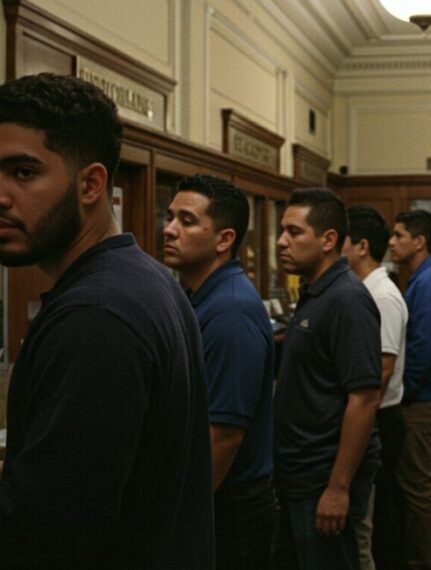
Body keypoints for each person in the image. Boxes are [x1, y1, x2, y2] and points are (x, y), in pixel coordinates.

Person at [0, 73, 213, 567]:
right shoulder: (145, 277)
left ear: (91, 184)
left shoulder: (96, 314)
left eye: (24, 173)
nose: (2, 194)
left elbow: (52, 535)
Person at [163, 174, 276, 569]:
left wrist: (176, 518)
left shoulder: (229, 310)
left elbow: (223, 436)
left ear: (224, 239)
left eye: (187, 221)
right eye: (170, 217)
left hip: (231, 506)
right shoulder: (203, 297)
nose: (170, 229)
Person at [272, 187, 382, 569]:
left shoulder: (347, 299)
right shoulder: (317, 291)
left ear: (328, 239)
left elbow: (364, 398)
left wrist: (338, 488)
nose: (281, 241)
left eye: (294, 232)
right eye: (282, 230)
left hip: (322, 475)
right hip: (299, 470)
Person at [388, 210, 431, 570]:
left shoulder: (429, 282)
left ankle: (422, 558)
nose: (391, 242)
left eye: (399, 236)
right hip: (426, 392)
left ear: (419, 241)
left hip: (425, 396)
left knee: (416, 481)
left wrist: (404, 392)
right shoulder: (422, 277)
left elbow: (423, 348)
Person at [343, 206, 409, 570]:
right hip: (375, 414)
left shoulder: (380, 294)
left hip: (380, 415)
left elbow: (382, 369)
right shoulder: (366, 289)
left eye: (343, 241)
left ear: (361, 247)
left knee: (379, 514)